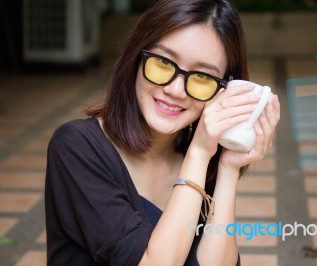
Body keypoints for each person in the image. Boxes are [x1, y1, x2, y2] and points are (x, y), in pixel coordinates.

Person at [45, 0, 280, 265]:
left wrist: (227, 168)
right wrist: (200, 154)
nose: (176, 90)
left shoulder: (199, 158)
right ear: (136, 58)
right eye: (163, 63)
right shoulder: (76, 147)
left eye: (202, 77)